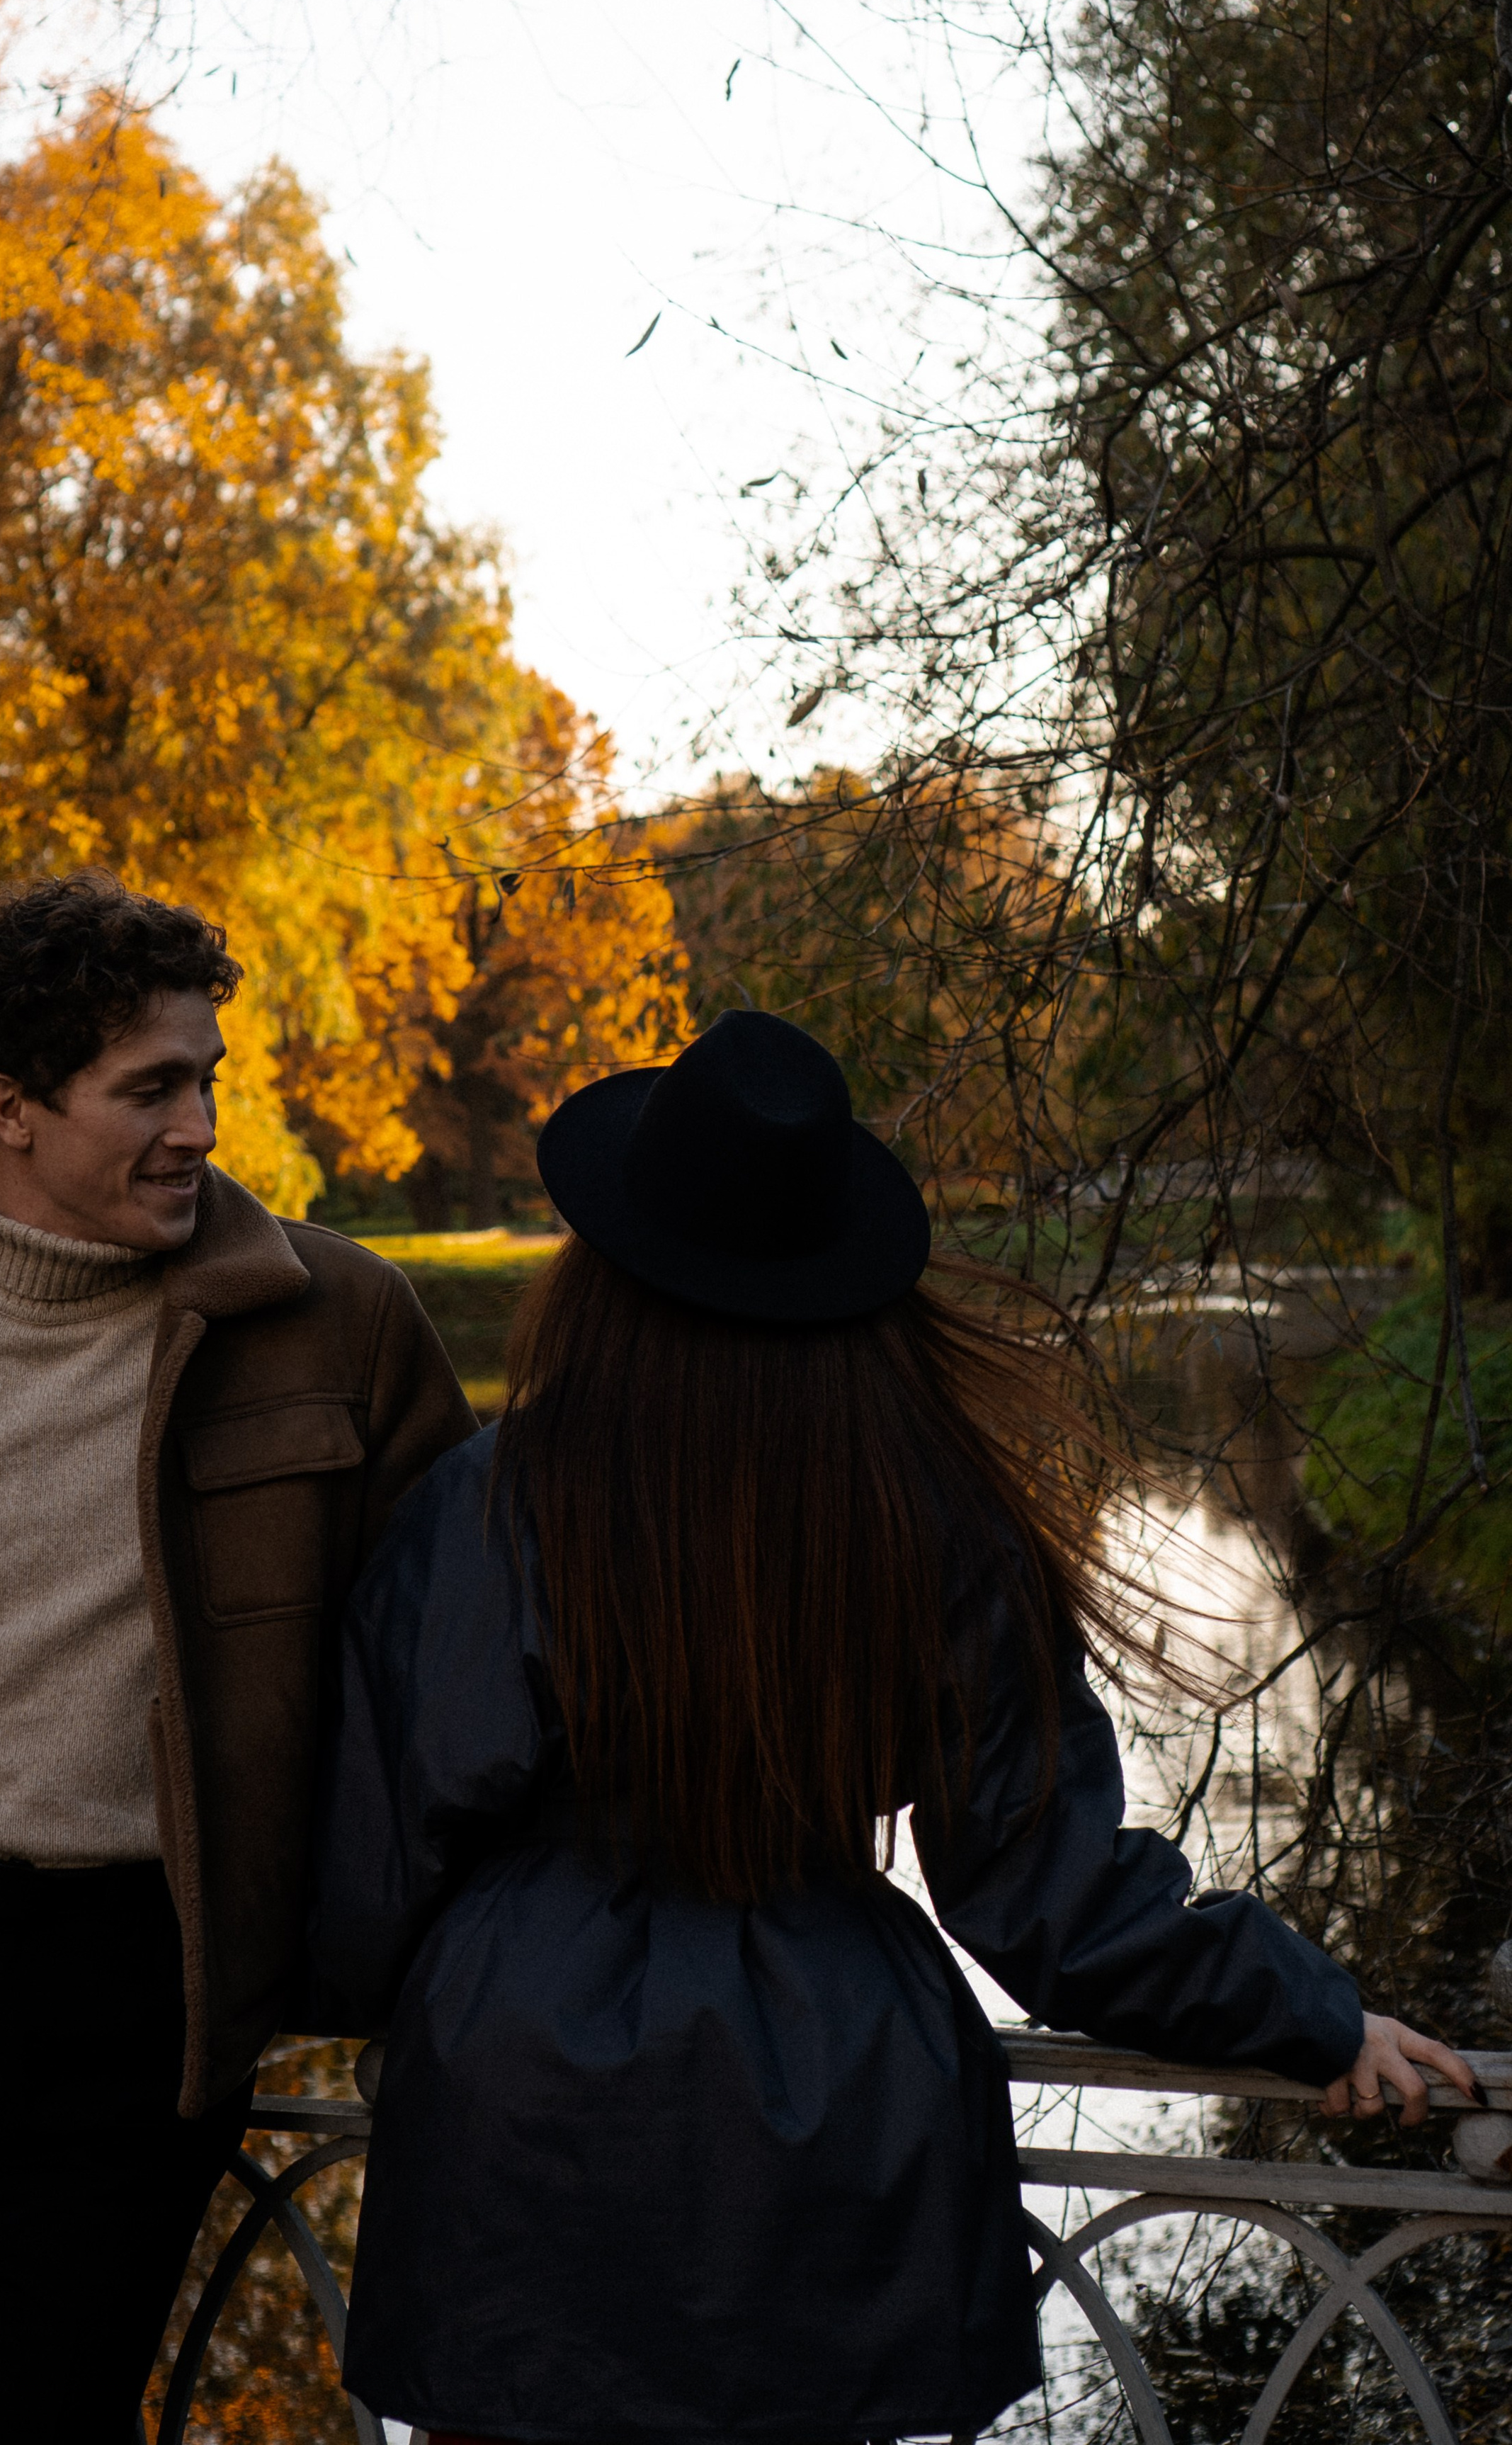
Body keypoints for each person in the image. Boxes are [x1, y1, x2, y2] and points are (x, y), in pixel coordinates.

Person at [305, 1008, 1478, 2445]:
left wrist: (368, 2007)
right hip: (832, 2094)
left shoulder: (494, 1504)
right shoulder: (933, 1518)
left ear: (597, 1270)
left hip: (526, 2111)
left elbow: (373, 1863)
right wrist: (1305, 2011)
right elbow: (1049, 1899)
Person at [0, 872, 474, 2443]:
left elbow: (452, 1691)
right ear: (13, 1109)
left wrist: (431, 1947)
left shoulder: (340, 1324)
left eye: (207, 1078)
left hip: (149, 1981)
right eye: (151, 1089)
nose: (198, 1124)